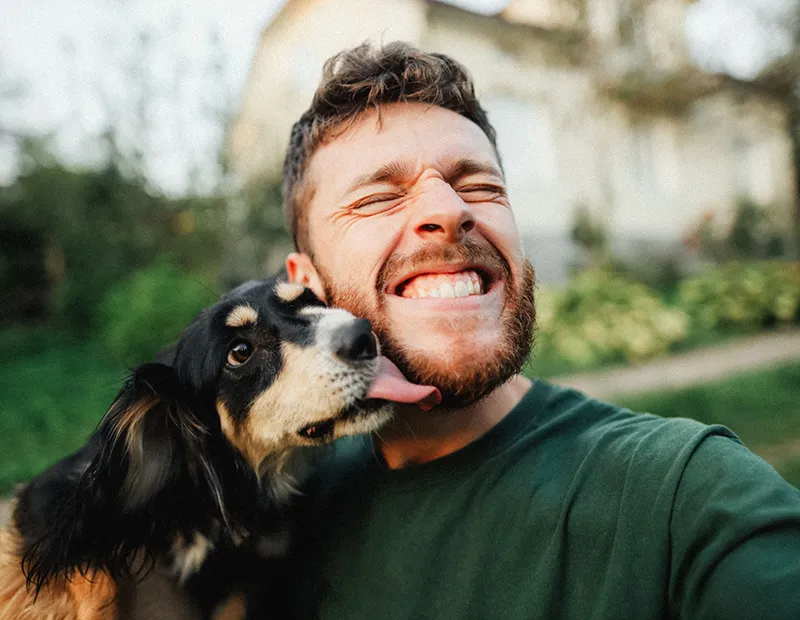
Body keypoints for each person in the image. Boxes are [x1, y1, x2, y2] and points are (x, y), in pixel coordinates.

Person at [280, 42, 800, 619]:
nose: (451, 210)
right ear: (307, 288)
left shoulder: (684, 497)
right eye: (379, 197)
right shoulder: (282, 511)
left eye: (480, 186)